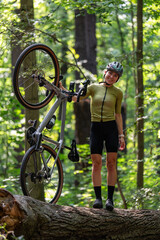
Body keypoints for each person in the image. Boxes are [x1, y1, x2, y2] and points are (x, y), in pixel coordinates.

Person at [60, 61, 125, 211]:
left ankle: (110, 199)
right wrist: (62, 88)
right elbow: (77, 97)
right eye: (110, 73)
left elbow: (118, 114)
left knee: (111, 163)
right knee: (96, 163)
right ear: (105, 72)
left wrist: (121, 136)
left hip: (111, 129)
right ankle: (98, 199)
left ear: (117, 79)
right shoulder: (93, 88)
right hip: (96, 127)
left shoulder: (118, 92)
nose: (111, 76)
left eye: (115, 75)